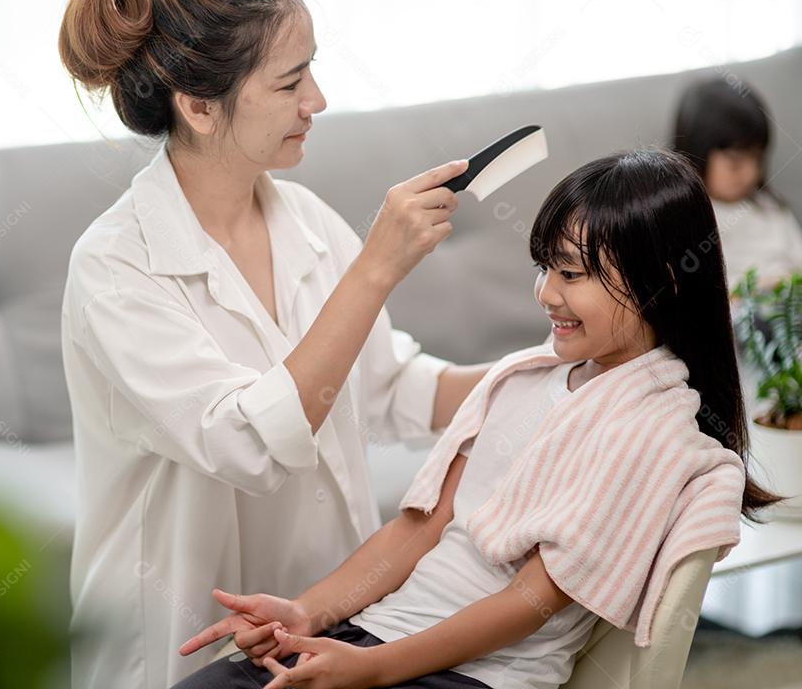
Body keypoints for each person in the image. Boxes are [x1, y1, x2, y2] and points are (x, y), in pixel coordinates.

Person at [176, 149, 782, 689]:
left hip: (476, 674)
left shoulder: (654, 430)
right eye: (545, 267)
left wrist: (372, 669)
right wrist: (308, 614)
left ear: (665, 281)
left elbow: (532, 599)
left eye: (573, 273)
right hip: (381, 633)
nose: (546, 293)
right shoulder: (520, 377)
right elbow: (419, 528)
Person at [57, 0, 492, 686]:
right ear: (199, 104)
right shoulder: (116, 267)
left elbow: (388, 387)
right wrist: (375, 269)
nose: (316, 101)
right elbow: (249, 442)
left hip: (320, 628)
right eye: (291, 83)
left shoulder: (307, 219)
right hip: (176, 647)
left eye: (313, 70)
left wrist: (549, 368)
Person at [673, 76, 802, 292]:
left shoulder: (769, 206)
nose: (751, 173)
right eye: (735, 161)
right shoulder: (689, 219)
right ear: (697, 152)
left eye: (757, 158)